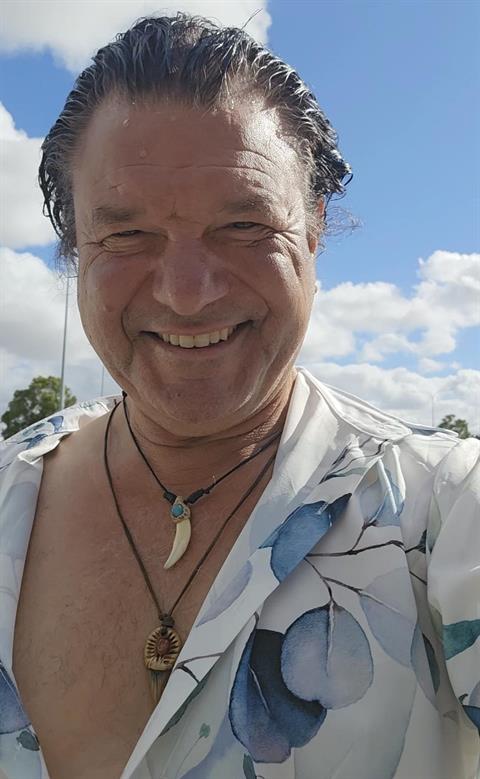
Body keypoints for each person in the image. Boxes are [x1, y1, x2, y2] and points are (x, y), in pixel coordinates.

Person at [0, 13, 478, 779]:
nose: (187, 294)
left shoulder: (443, 512)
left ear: (314, 230)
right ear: (75, 250)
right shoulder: (7, 494)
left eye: (244, 224)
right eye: (127, 236)